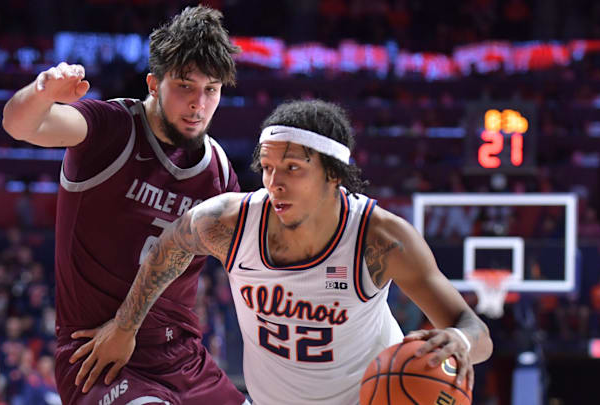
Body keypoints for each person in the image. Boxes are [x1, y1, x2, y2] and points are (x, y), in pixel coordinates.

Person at [71, 100, 493, 405]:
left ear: (333, 175)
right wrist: (126, 326)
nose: (275, 183)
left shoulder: (379, 238)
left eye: (293, 168)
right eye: (268, 168)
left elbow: (476, 331)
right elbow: (170, 248)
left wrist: (458, 339)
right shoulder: (230, 222)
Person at [1, 6, 247, 405]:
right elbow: (19, 124)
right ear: (154, 83)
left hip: (182, 358)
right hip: (99, 357)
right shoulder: (111, 128)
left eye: (211, 89)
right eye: (185, 86)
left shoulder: (217, 170)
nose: (198, 104)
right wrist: (42, 93)